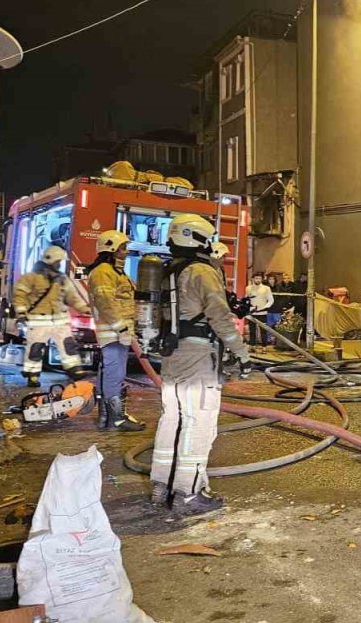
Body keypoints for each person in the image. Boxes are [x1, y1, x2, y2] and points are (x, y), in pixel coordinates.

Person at [150, 213, 252, 514]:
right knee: (199, 423)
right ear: (198, 240)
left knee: (172, 419)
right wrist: (241, 352)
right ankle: (189, 493)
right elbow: (219, 316)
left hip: (171, 356)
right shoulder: (201, 272)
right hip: (197, 359)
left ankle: (161, 485)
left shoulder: (168, 271)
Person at [85, 230, 145, 431]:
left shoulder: (114, 271)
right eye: (123, 247)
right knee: (114, 374)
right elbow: (105, 302)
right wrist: (121, 327)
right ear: (110, 248)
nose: (126, 252)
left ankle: (107, 417)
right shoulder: (103, 272)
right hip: (113, 332)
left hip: (117, 331)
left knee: (112, 373)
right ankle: (116, 418)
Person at [14, 245, 92, 388]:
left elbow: (72, 297)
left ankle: (74, 370)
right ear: (51, 260)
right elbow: (20, 296)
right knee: (35, 349)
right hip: (39, 320)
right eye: (58, 261)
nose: (59, 264)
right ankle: (32, 375)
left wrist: (84, 309)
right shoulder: (31, 278)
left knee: (68, 346)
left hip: (59, 320)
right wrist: (21, 312)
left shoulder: (62, 279)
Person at [244, 274, 273, 346]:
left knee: (263, 331)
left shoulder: (266, 288)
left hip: (263, 313)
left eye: (259, 278)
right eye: (256, 278)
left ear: (262, 279)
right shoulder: (248, 288)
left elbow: (271, 300)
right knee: (252, 330)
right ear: (253, 279)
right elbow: (246, 299)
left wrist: (265, 307)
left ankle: (264, 347)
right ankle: (252, 346)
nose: (258, 280)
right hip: (252, 313)